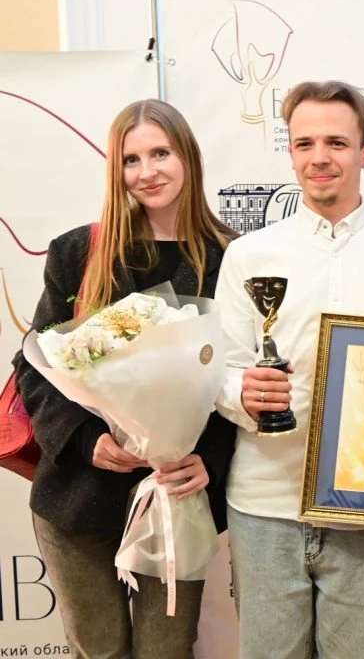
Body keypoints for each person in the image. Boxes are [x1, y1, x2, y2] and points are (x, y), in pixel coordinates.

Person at [213, 81, 364, 659]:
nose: (320, 157)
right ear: (290, 153)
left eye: (337, 143)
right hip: (264, 503)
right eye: (305, 143)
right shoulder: (248, 255)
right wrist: (243, 393)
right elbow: (221, 373)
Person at [13, 99, 237, 659]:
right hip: (78, 501)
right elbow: (36, 366)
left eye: (161, 153)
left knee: (167, 651)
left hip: (175, 498)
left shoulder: (233, 258)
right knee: (100, 652)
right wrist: (87, 440)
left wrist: (210, 459)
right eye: (131, 159)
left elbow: (242, 376)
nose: (147, 171)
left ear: (188, 157)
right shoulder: (79, 252)